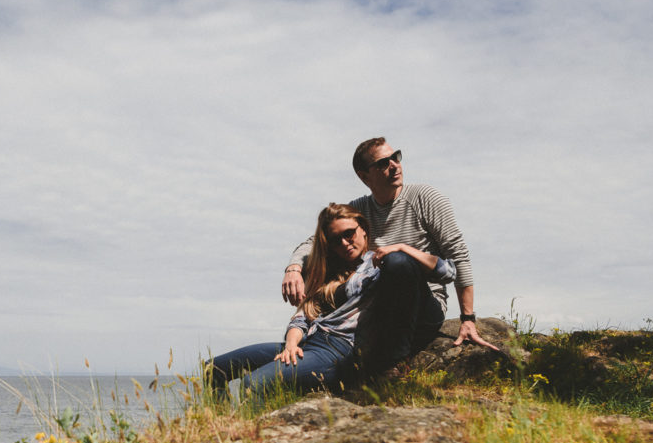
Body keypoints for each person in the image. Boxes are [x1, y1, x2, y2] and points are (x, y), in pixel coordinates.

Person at [280, 138, 497, 374]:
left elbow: (458, 254)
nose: (394, 165)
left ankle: (395, 364)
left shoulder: (424, 197)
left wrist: (467, 318)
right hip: (378, 306)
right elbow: (315, 242)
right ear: (365, 176)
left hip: (424, 304)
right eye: (383, 163)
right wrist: (294, 269)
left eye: (396, 157)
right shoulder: (361, 209)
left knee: (397, 262)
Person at [208, 204, 454, 398]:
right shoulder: (330, 275)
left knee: (254, 384)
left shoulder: (383, 266)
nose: (345, 243)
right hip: (308, 343)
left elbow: (446, 272)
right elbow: (303, 315)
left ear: (364, 229)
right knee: (213, 369)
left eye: (349, 234)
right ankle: (214, 432)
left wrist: (403, 248)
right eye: (336, 240)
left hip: (339, 350)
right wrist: (291, 344)